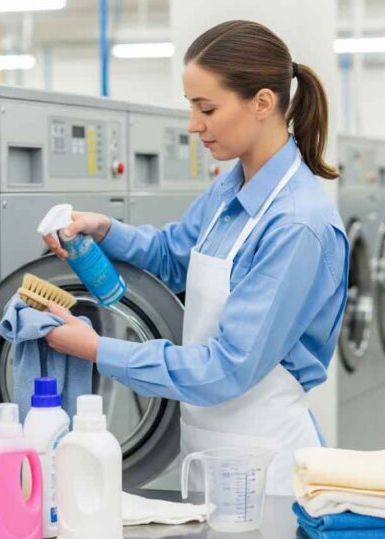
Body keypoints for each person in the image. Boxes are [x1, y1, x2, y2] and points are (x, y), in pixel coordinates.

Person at [42, 20, 348, 495]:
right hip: (210, 451)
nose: (193, 124)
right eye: (191, 106)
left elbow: (226, 368)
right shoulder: (232, 185)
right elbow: (173, 254)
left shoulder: (296, 225)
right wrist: (106, 230)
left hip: (268, 474)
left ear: (263, 103)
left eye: (207, 108)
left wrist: (98, 349)